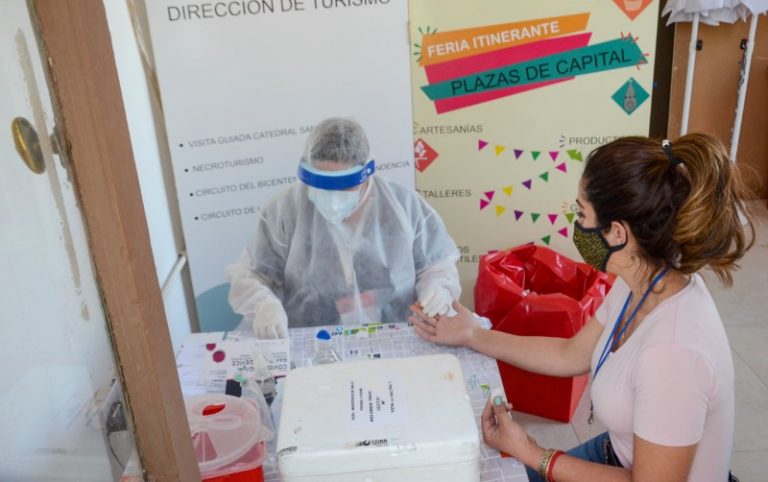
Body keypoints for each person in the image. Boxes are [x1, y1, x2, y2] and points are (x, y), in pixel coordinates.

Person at [410, 134, 753, 482]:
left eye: (581, 212)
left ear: (618, 232)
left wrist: (532, 452)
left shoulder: (674, 353)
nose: (576, 224)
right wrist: (473, 334)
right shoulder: (639, 279)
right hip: (620, 454)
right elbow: (570, 353)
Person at [227, 117, 460, 338]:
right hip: (313, 339)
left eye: (343, 186)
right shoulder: (284, 209)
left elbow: (436, 264)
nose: (332, 196)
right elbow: (252, 273)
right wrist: (263, 305)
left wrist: (437, 288)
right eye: (321, 185)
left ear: (366, 175)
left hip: (397, 333)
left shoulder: (402, 207)